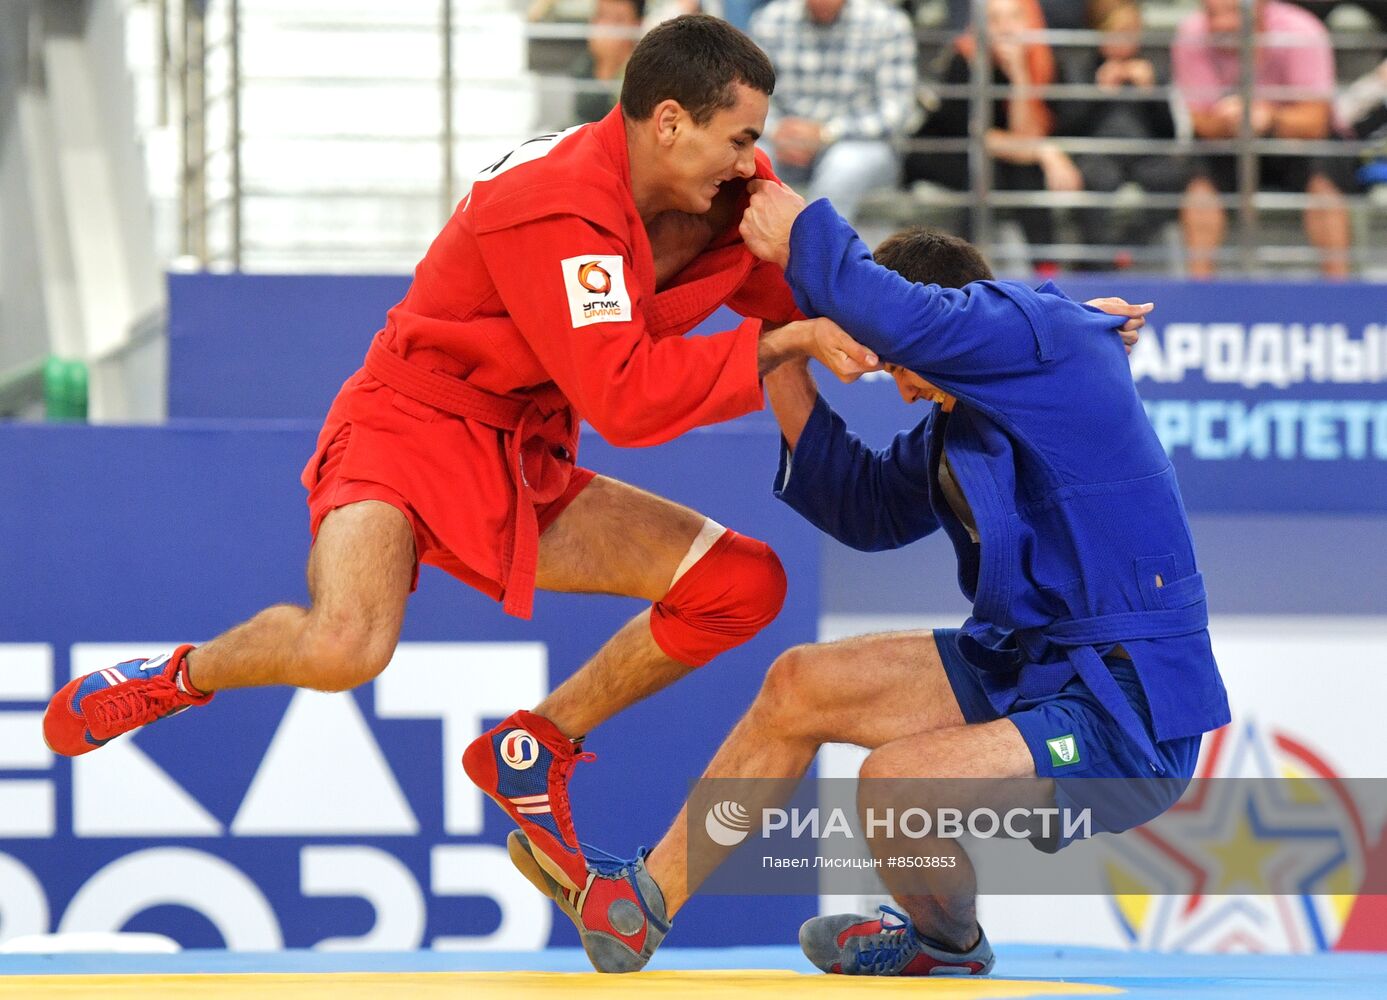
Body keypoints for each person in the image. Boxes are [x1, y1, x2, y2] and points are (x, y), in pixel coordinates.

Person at [42, 15, 882, 899]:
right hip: (407, 426)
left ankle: (532, 748)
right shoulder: (555, 201)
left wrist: (939, 344)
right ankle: (176, 674)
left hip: (522, 450)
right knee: (342, 649)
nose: (753, 160)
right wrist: (780, 345)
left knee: (740, 585)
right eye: (740, 137)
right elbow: (627, 401)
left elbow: (816, 288)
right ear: (668, 122)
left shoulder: (723, 194)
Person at [504, 181, 1230, 975]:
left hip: (1126, 708)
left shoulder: (1047, 335)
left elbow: (904, 315)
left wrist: (797, 226)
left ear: (955, 324)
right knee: (798, 685)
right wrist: (776, 325)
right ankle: (640, 907)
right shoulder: (956, 424)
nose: (903, 385)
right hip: (1028, 663)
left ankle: (942, 948)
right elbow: (862, 509)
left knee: (898, 787)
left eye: (904, 365)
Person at [1173, 0, 1353, 278]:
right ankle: (1200, 291)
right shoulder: (1191, 34)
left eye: (1230, 13)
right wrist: (1229, 119)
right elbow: (1201, 121)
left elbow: (1316, 122)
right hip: (1226, 139)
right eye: (1212, 14)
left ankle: (1339, 292)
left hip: (1295, 140)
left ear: (1259, 8)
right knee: (1199, 184)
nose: (1220, 24)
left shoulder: (1301, 31)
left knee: (1325, 181)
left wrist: (1268, 116)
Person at [907, 0, 1080, 261]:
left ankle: (1046, 267)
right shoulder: (963, 61)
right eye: (996, 19)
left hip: (1005, 156)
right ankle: (965, 272)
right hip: (943, 151)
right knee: (986, 171)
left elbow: (1025, 135)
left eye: (1014, 17)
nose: (1006, 28)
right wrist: (1045, 151)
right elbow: (980, 137)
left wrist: (1019, 74)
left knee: (1024, 171)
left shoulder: (1043, 63)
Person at [750, 0, 917, 223]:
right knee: (752, 159)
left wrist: (827, 133)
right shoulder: (769, 20)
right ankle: (747, 253)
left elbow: (897, 110)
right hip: (783, 140)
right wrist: (776, 131)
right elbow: (751, 96)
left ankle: (817, 254)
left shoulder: (889, 24)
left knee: (842, 168)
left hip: (859, 143)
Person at [1057, 0, 1186, 260]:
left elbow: (1169, 132)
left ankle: (1126, 250)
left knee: (1174, 177)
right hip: (1098, 154)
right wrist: (1098, 94)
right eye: (1117, 32)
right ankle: (1095, 260)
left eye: (1131, 31)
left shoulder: (1152, 69)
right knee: (1096, 181)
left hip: (1144, 153)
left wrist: (1152, 95)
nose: (1124, 39)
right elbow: (1069, 126)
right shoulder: (1080, 66)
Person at [572, 0, 644, 124]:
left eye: (618, 20)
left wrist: (609, 64)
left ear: (637, 25)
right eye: (601, 16)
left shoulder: (644, 70)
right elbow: (584, 115)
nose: (607, 27)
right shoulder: (585, 63)